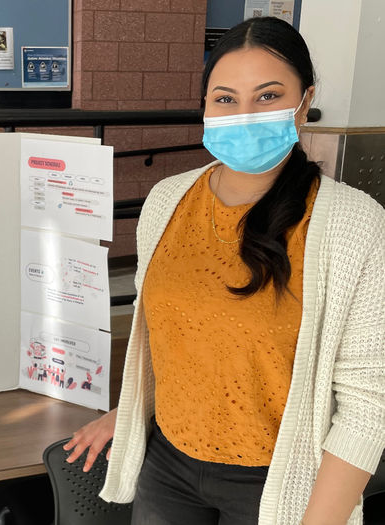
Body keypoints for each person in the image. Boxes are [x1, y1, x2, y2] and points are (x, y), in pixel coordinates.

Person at [64, 16, 384, 525]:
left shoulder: (354, 224)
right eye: (226, 99)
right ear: (206, 108)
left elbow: (370, 401)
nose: (245, 114)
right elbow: (175, 342)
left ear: (305, 102)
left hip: (279, 482)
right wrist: (129, 414)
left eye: (268, 95)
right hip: (167, 466)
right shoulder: (167, 201)